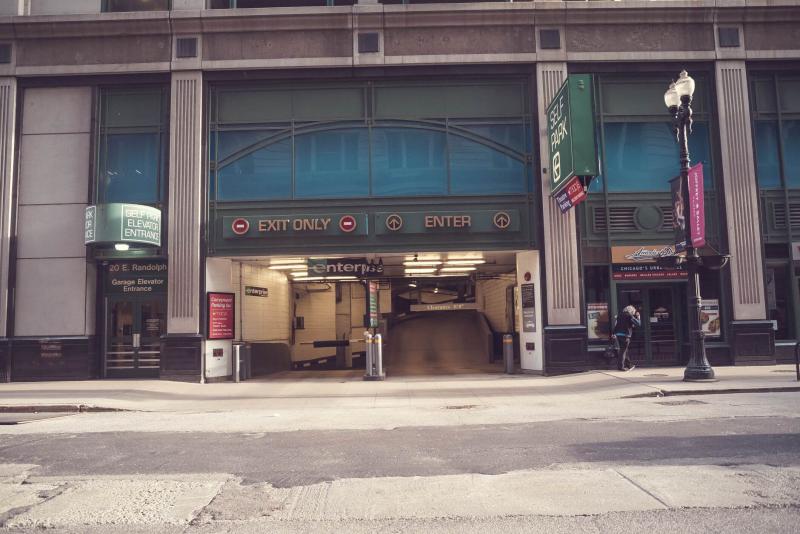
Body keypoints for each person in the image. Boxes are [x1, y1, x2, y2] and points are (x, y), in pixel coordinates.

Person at [611, 304, 641, 371]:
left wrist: (613, 333)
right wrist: (638, 317)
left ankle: (629, 365)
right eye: (633, 312)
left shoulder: (619, 316)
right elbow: (638, 324)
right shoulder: (629, 316)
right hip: (625, 336)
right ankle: (620, 367)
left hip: (618, 335)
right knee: (623, 351)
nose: (633, 313)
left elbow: (617, 325)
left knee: (624, 350)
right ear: (631, 311)